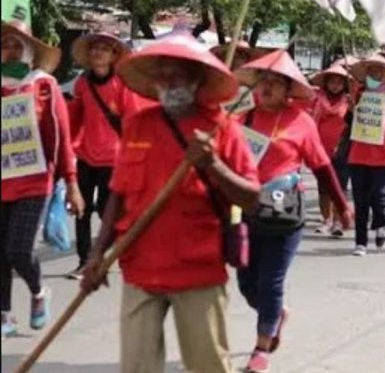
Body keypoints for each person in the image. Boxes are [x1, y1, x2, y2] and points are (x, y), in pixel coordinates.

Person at [80, 34, 261, 373]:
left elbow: (251, 199)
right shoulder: (138, 125)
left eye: (176, 74)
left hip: (199, 270)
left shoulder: (222, 128)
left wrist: (214, 165)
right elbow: (117, 195)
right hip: (139, 267)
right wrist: (96, 255)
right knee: (136, 367)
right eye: (162, 75)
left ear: (197, 80)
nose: (168, 82)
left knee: (208, 366)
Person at [234, 50, 351, 373]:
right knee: (247, 282)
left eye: (276, 83)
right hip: (245, 210)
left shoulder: (300, 122)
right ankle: (276, 314)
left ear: (289, 91)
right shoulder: (241, 116)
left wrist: (342, 207)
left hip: (285, 214)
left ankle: (261, 349)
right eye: (264, 82)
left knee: (271, 281)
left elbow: (323, 167)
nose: (267, 88)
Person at [2, 21, 85, 338]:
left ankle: (38, 292)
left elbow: (62, 139)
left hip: (35, 182)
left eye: (15, 44)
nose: (9, 50)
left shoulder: (44, 86)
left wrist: (72, 183)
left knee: (19, 251)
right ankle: (4, 315)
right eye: (5, 45)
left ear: (29, 51)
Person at [66, 32, 137, 279]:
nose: (98, 52)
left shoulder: (122, 84)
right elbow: (73, 119)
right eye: (95, 48)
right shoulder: (82, 83)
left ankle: (109, 253)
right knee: (81, 209)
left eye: (105, 48)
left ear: (114, 55)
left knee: (106, 211)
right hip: (86, 155)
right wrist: (67, 151)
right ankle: (84, 261)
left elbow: (133, 122)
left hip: (114, 159)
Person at [347, 55, 385, 256]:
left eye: (378, 72)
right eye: (371, 71)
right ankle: (360, 242)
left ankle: (381, 226)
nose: (374, 75)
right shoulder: (358, 94)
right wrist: (349, 109)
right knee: (360, 200)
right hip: (357, 155)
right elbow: (350, 123)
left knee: (379, 198)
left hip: (383, 156)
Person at [309, 63, 353, 237]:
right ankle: (326, 219)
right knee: (323, 187)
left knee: (340, 186)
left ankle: (337, 221)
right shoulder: (317, 99)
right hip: (320, 148)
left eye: (339, 82)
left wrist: (353, 110)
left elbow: (354, 124)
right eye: (332, 82)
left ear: (344, 84)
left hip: (343, 149)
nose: (335, 85)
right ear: (326, 83)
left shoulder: (350, 101)